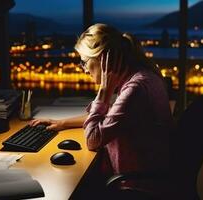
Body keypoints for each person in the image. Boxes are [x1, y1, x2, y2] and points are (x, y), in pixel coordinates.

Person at [30, 23, 174, 198]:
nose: (83, 69)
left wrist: (104, 91)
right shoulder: (143, 76)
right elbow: (111, 117)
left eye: (84, 61)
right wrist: (62, 123)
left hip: (135, 189)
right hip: (142, 180)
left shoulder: (135, 89)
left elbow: (93, 139)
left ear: (103, 59)